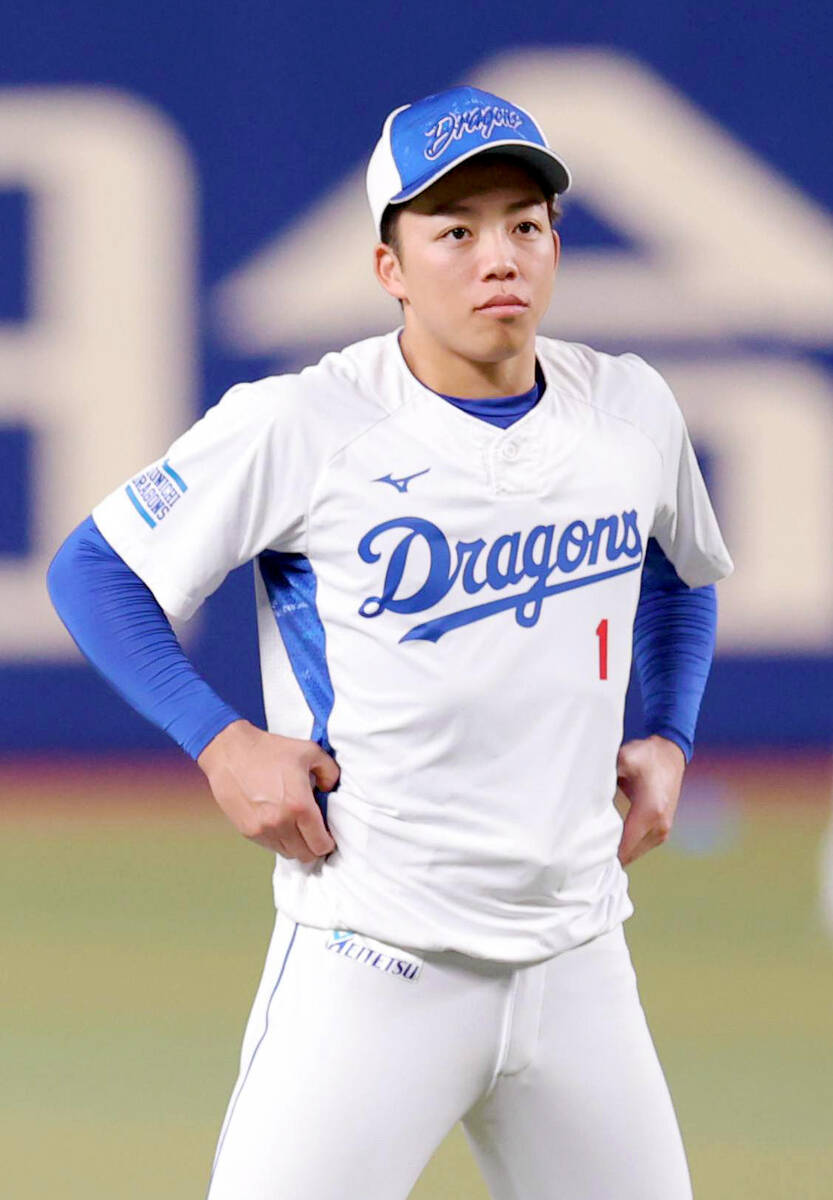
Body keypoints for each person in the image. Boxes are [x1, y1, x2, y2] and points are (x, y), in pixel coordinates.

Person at [48, 85, 732, 1199]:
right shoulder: (306, 423)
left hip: (579, 961)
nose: (497, 256)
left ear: (555, 244)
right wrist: (220, 742)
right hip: (372, 959)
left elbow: (680, 573)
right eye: (454, 231)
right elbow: (94, 569)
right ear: (389, 267)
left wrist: (672, 732)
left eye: (523, 223)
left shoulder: (629, 411)